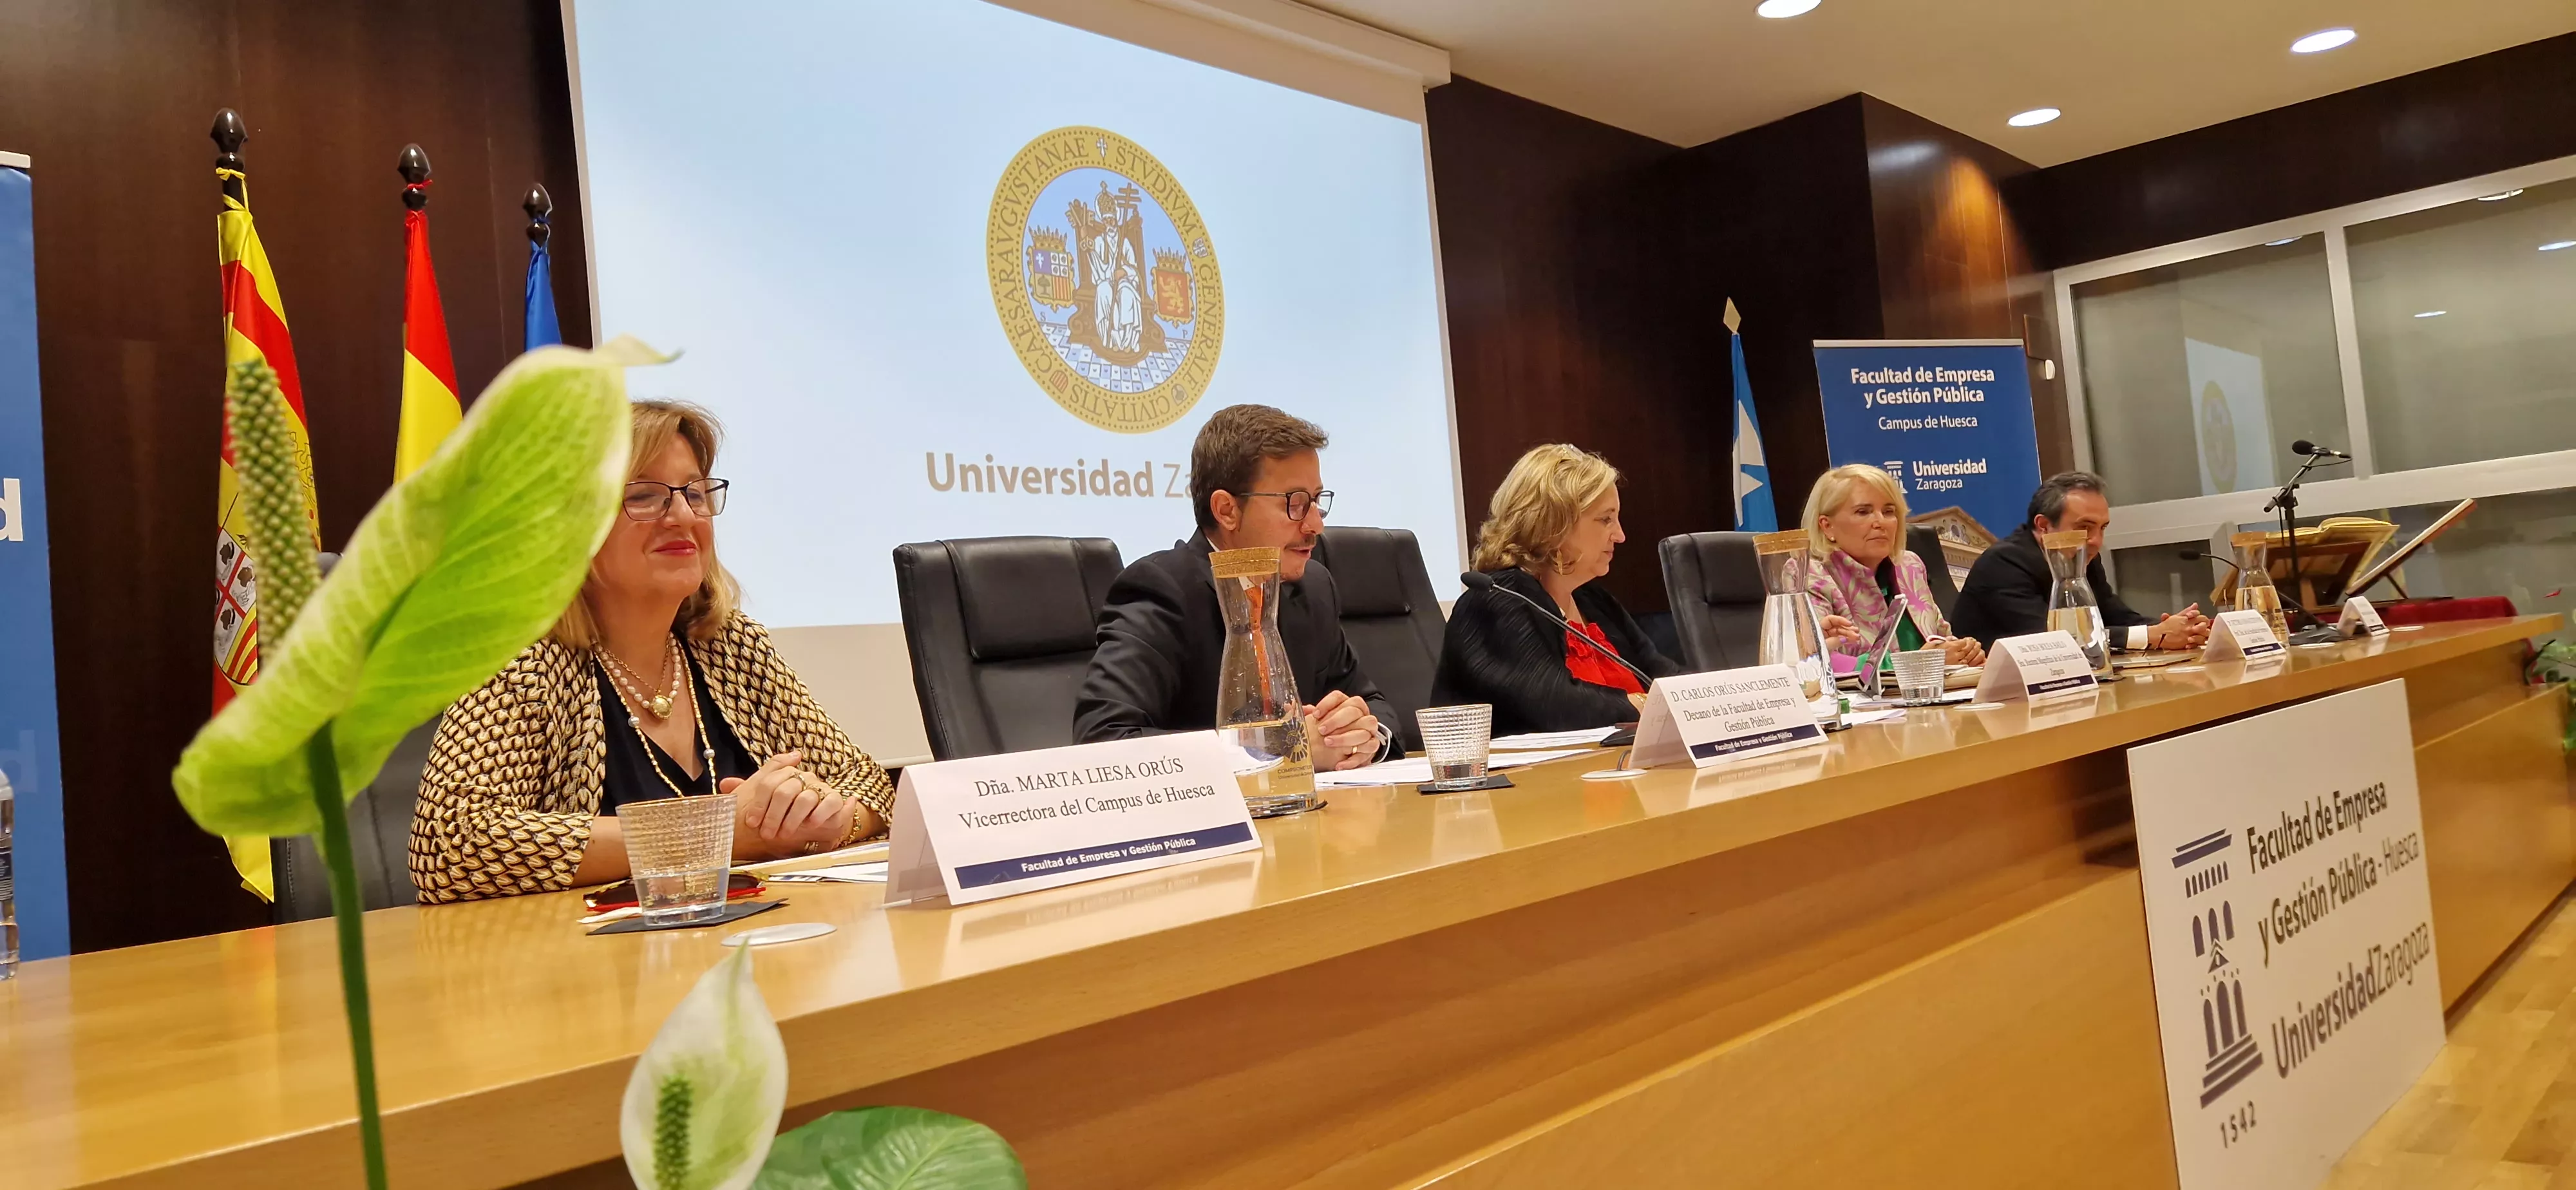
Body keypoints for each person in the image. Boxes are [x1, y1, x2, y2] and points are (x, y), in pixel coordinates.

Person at [410, 401, 895, 903]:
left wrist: (830, 820)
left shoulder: (729, 644)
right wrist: (715, 832)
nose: (683, 515)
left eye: (696, 493)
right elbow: (450, 843)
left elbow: (869, 783)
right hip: (580, 967)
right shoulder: (524, 656)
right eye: (644, 496)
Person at [1076, 404, 1396, 770]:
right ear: (1227, 510)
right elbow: (1104, 740)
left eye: (1317, 502)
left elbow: (1374, 704)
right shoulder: (1162, 590)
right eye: (1295, 504)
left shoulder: (1314, 586)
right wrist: (1280, 750)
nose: (1315, 526)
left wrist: (1365, 735)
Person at [1432, 444, 1684, 735]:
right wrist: (1647, 704)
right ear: (1554, 524)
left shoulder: (1593, 600)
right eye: (1605, 519)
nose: (1620, 535)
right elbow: (1557, 706)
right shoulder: (1496, 600)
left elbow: (1665, 676)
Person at [1950, 470, 2213, 651]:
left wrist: (2174, 628)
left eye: (2103, 528)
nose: (2096, 541)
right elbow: (2055, 640)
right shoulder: (2004, 563)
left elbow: (2116, 616)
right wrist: (2152, 636)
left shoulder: (2080, 555)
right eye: (2085, 527)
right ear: (2044, 526)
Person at [1800, 464, 1985, 668]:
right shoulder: (1808, 574)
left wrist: (1963, 652)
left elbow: (1941, 636)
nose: (1880, 522)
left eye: (1889, 512)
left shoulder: (1909, 565)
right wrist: (1917, 663)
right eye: (1863, 512)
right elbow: (1815, 661)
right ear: (1827, 526)